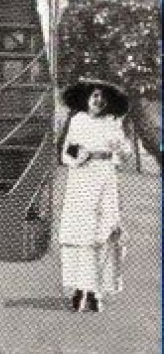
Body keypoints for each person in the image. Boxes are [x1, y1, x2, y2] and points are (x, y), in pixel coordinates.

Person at [57, 80, 130, 313]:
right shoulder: (77, 120)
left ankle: (96, 291)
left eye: (102, 97)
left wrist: (120, 146)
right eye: (95, 96)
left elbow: (125, 152)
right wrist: (78, 156)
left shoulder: (113, 122)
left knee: (104, 232)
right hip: (82, 178)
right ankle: (80, 289)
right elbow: (66, 150)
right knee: (81, 233)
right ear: (87, 99)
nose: (99, 101)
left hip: (105, 178)